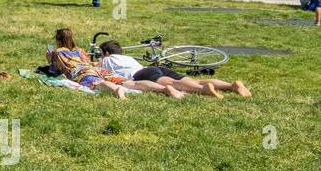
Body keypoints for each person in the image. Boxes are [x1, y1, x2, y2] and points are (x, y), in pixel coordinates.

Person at [98, 41, 249, 98]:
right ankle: (231, 85)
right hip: (154, 68)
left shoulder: (105, 60)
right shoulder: (128, 58)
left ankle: (203, 90)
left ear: (105, 53)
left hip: (143, 74)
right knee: (191, 80)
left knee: (172, 83)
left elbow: (95, 68)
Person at [48, 28, 130, 99]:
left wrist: (50, 59)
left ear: (58, 40)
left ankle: (116, 90)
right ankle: (124, 87)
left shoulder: (58, 53)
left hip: (82, 74)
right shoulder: (79, 50)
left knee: (97, 83)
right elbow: (88, 63)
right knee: (107, 80)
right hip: (94, 70)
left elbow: (55, 72)